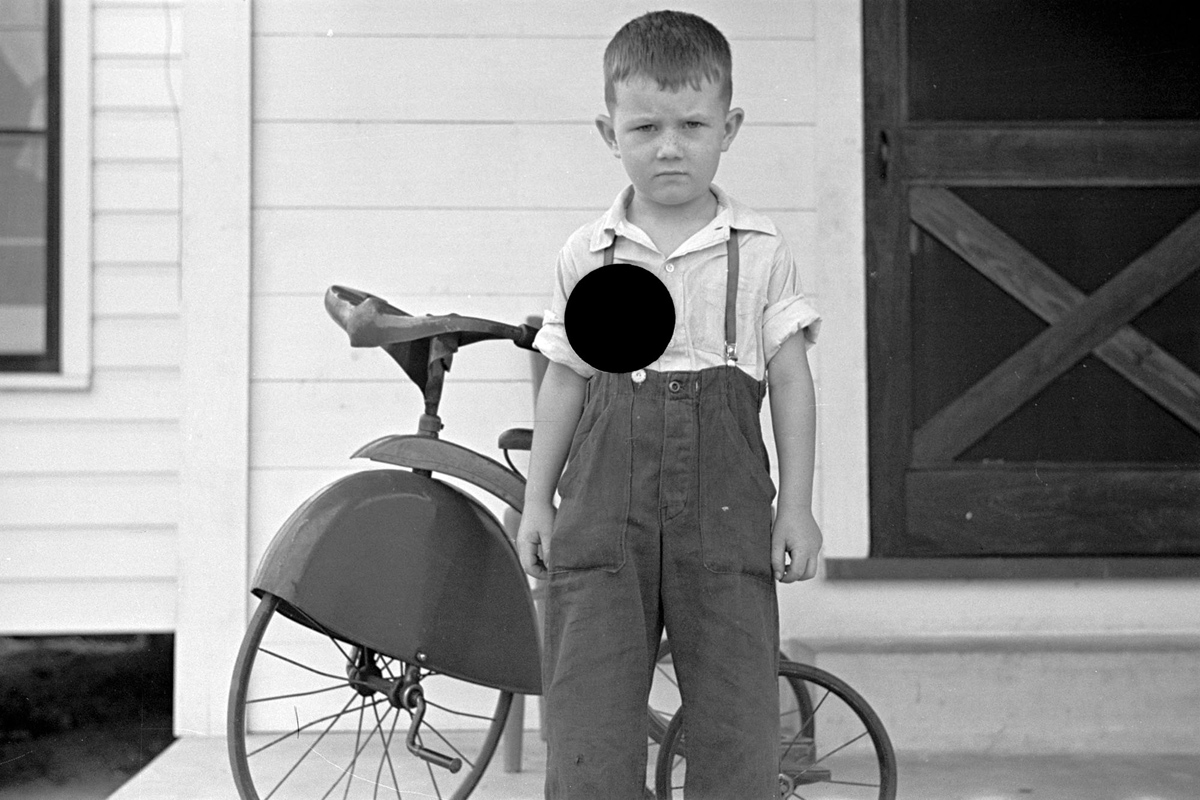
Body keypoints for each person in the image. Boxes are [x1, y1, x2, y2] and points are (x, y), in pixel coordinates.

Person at [516, 10, 822, 799]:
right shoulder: (590, 253)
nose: (669, 145)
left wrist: (798, 507)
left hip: (723, 508)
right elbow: (563, 380)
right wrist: (537, 502)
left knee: (734, 707)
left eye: (692, 124)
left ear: (730, 127)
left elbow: (789, 380)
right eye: (645, 125)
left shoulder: (757, 249)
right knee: (589, 702)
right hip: (602, 507)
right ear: (607, 131)